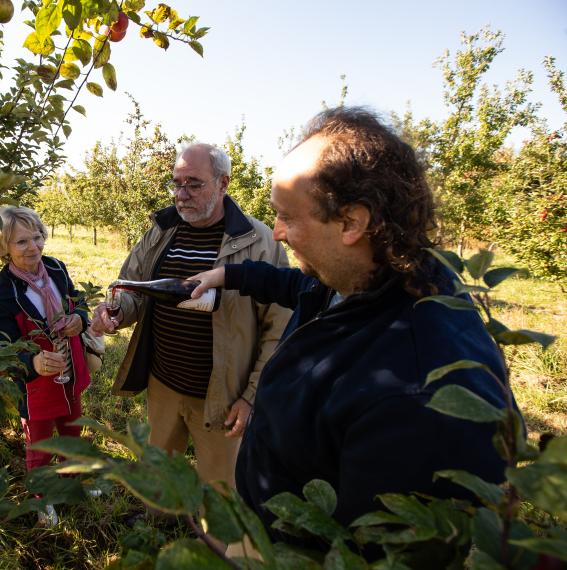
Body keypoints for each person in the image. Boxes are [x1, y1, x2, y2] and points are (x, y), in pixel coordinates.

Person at [188, 107, 521, 537]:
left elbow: (369, 549)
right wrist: (228, 274)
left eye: (288, 216)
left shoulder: (416, 394)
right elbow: (293, 286)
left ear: (351, 222)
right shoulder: (363, 276)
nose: (277, 233)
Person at [90, 143, 290, 488]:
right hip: (163, 381)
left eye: (193, 183)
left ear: (223, 182)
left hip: (222, 394)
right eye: (176, 183)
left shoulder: (259, 242)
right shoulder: (162, 231)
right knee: (158, 471)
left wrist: (251, 397)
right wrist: (115, 312)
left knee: (221, 485)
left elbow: (279, 328)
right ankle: (157, 527)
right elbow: (133, 287)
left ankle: (215, 541)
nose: (181, 195)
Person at [0, 206, 91, 525]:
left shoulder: (56, 269)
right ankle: (41, 500)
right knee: (40, 443)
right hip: (35, 383)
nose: (34, 247)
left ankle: (73, 483)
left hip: (68, 368)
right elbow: (3, 346)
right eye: (22, 242)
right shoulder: (3, 294)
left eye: (38, 237)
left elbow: (77, 299)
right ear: (4, 247)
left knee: (72, 429)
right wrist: (33, 361)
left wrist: (79, 319)